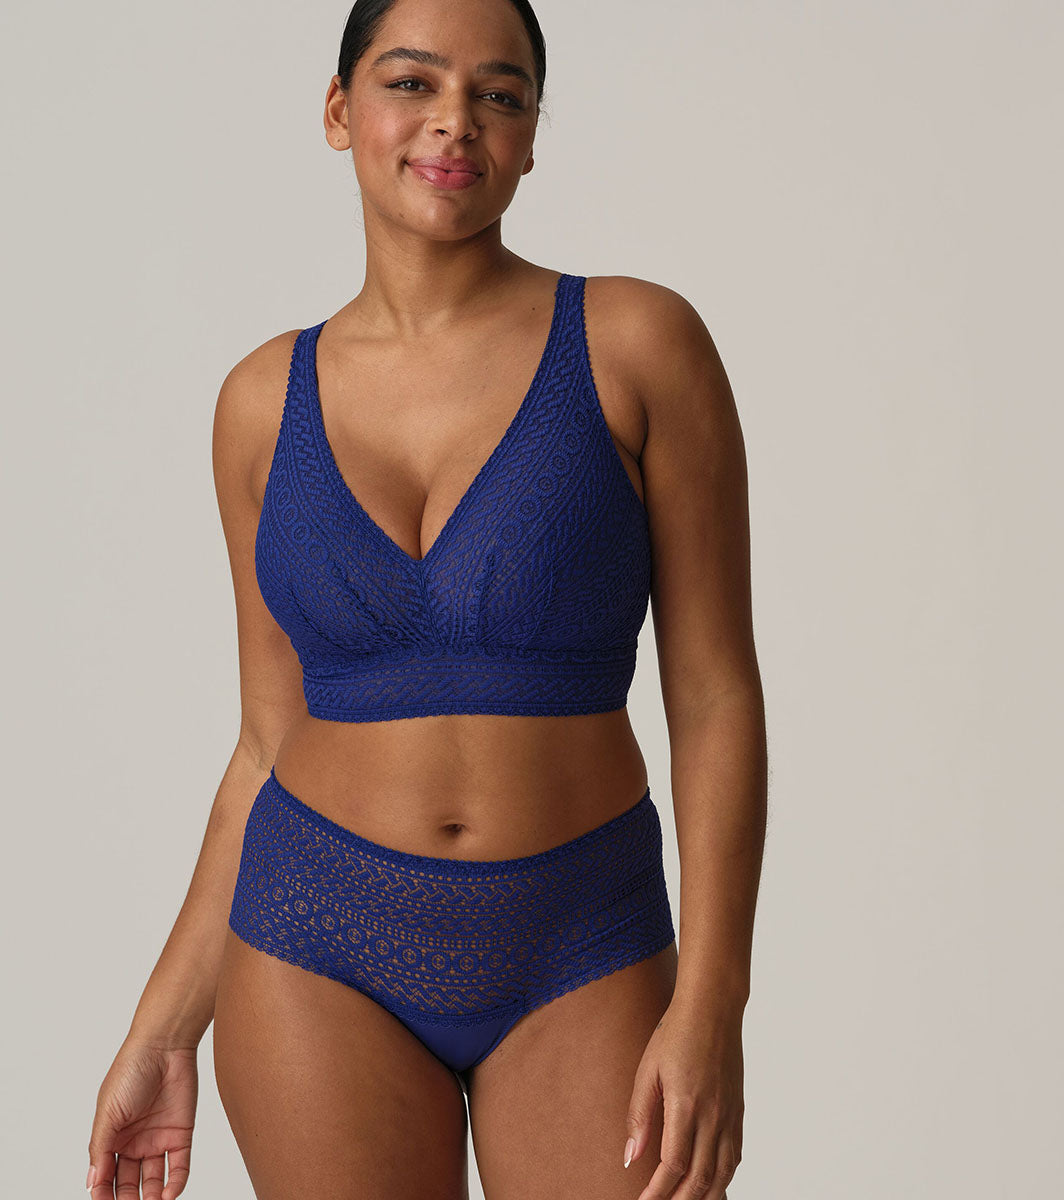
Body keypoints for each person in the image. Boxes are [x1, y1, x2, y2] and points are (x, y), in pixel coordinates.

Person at [86, 0, 767, 1197]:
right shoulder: (261, 403)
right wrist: (162, 1027)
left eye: (500, 94)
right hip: (313, 941)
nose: (456, 120)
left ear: (532, 136)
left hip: (582, 937)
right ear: (340, 110)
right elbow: (265, 745)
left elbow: (715, 698)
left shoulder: (636, 343)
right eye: (412, 83)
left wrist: (713, 1002)